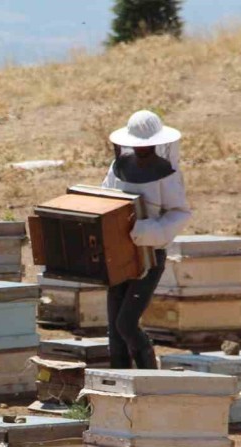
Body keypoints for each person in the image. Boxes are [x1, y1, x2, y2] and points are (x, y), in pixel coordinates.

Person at [101, 110, 193, 369]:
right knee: (114, 331)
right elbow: (104, 197)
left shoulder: (168, 174)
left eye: (147, 145)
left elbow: (180, 213)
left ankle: (150, 376)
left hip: (149, 258)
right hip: (119, 254)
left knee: (126, 324)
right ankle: (118, 386)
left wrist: (146, 230)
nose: (142, 151)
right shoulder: (118, 167)